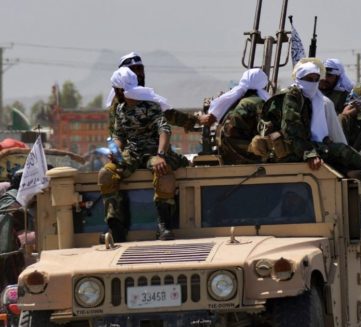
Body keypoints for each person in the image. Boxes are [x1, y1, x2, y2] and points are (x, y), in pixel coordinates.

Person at [249, 60, 361, 200]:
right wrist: (311, 154)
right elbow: (292, 129)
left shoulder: (312, 99)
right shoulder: (293, 96)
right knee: (342, 152)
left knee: (341, 167)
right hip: (290, 149)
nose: (314, 82)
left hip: (302, 146)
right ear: (299, 78)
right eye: (309, 78)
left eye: (316, 78)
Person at [98, 67, 189, 242]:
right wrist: (114, 151)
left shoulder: (150, 106)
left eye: (116, 89)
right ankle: (116, 225)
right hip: (131, 153)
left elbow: (164, 129)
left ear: (120, 89)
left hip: (153, 151)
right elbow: (119, 135)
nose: (114, 93)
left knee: (164, 173)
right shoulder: (120, 109)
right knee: (106, 174)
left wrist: (161, 154)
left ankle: (164, 225)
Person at [198, 68, 270, 164]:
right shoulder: (262, 102)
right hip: (254, 157)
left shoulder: (238, 101)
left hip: (234, 157)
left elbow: (229, 131)